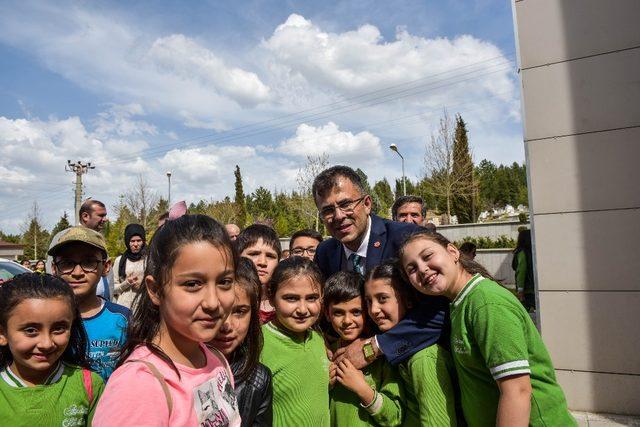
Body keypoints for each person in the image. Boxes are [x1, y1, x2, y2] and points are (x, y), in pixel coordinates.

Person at [399, 230, 575, 426]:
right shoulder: (459, 304)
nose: (422, 269)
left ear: (453, 252)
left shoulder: (486, 303)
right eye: (412, 269)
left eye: (427, 256)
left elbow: (517, 392)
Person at [93, 215, 241, 426]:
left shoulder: (217, 361)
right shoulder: (139, 386)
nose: (212, 302)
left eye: (225, 282)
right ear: (155, 290)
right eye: (192, 284)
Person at [312, 165, 447, 369]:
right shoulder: (325, 253)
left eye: (346, 204)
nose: (338, 216)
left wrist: (376, 346)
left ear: (367, 204)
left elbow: (444, 306)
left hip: (417, 363)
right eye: (328, 210)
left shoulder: (407, 239)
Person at [0, 273, 105, 425]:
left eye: (59, 329)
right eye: (30, 330)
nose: (46, 343)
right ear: (3, 333)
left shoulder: (89, 385)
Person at [365, 261, 459, 426]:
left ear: (408, 300)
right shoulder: (398, 352)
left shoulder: (423, 359)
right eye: (368, 301)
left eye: (382, 298)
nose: (374, 309)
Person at [48, 226, 129, 382]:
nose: (77, 273)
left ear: (106, 267)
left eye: (89, 262)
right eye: (66, 263)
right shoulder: (44, 319)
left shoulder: (123, 319)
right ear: (54, 268)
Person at [325, 271, 403, 427]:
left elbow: (395, 417)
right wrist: (324, 386)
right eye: (338, 312)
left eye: (356, 312)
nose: (347, 321)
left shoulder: (382, 356)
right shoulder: (325, 354)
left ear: (367, 311)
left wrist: (362, 389)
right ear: (327, 314)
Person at [259, 257, 330, 427]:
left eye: (312, 298)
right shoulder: (259, 344)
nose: (303, 309)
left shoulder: (317, 339)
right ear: (270, 295)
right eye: (291, 298)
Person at [209, 257, 273, 427]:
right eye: (217, 310)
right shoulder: (172, 372)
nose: (227, 324)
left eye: (239, 312)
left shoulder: (258, 379)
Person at [47, 199, 111, 299]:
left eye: (89, 262)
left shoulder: (100, 239)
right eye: (101, 215)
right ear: (85, 216)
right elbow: (51, 277)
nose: (105, 219)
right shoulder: (64, 236)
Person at [236, 224, 281, 324]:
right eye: (254, 254)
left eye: (270, 256)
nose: (262, 262)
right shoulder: (226, 300)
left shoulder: (284, 304)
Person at [111, 224, 146, 309]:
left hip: (144, 307)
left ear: (143, 241)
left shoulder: (149, 259)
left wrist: (142, 286)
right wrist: (126, 283)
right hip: (123, 307)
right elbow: (113, 288)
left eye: (139, 240)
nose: (136, 244)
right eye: (132, 241)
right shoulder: (120, 260)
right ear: (127, 242)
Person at [512, 229, 535, 312]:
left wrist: (520, 290)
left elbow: (521, 271)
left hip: (527, 289)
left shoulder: (522, 252)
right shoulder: (531, 252)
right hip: (531, 287)